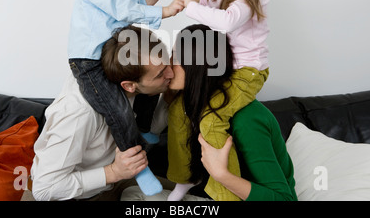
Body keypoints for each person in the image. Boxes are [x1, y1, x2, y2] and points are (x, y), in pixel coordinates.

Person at [68, 0, 184, 196]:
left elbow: (131, 10)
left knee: (149, 82)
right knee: (119, 113)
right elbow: (123, 8)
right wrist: (166, 12)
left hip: (115, 53)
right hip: (90, 61)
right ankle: (137, 165)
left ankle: (144, 128)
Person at [154, 0, 270, 200]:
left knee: (211, 119)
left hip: (247, 74)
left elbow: (226, 21)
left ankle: (226, 194)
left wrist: (192, 7)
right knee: (180, 110)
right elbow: (204, 3)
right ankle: (185, 179)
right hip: (224, 67)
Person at [121, 25, 297, 201]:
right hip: (209, 194)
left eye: (176, 57)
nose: (169, 65)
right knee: (132, 192)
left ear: (198, 66)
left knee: (136, 196)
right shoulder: (189, 107)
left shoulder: (246, 119)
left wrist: (221, 174)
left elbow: (284, 199)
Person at [30, 26, 175, 201]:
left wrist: (169, 100)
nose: (171, 73)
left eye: (168, 64)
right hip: (75, 195)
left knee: (188, 192)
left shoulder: (135, 79)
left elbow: (145, 136)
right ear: (128, 85)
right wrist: (114, 172)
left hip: (119, 181)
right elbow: (44, 189)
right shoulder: (80, 113)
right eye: (161, 74)